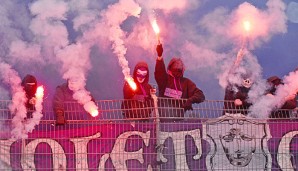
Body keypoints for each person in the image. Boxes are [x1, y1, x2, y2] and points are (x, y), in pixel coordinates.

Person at [155, 44, 205, 121]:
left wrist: (190, 100)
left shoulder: (186, 82)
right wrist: (159, 56)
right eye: (176, 68)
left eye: (179, 69)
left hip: (179, 120)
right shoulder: (165, 80)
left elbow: (200, 95)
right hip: (163, 120)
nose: (178, 71)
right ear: (170, 69)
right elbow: (159, 72)